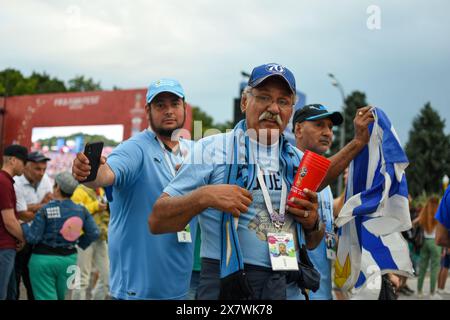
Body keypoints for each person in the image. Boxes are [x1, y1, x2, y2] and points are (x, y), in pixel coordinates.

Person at [150, 63, 374, 300]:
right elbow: (157, 220)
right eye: (264, 97)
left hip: (285, 284)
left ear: (291, 110)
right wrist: (204, 196)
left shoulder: (299, 162)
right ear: (245, 102)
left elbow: (312, 241)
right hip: (225, 284)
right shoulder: (211, 149)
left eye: (283, 101)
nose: (273, 108)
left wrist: (312, 223)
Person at [72, 78, 197, 300]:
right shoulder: (135, 148)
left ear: (184, 107)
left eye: (174, 104)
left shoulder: (195, 151)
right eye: (160, 105)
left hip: (180, 289)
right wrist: (88, 173)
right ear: (148, 110)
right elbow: (106, 174)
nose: (168, 111)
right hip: (135, 291)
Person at [292, 103, 343, 300]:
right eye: (319, 125)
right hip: (300, 292)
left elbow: (330, 218)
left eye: (330, 127)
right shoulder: (293, 171)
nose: (328, 132)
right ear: (298, 129)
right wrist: (357, 143)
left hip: (324, 291)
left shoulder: (326, 183)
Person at [22, 171, 99, 300]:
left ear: (57, 187)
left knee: (45, 296)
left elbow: (33, 238)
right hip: (70, 260)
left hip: (43, 259)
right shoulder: (82, 210)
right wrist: (79, 242)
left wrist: (23, 225)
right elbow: (94, 232)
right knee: (62, 296)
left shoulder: (45, 209)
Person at [12, 151, 53, 300]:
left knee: (34, 281)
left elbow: (52, 203)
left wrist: (32, 208)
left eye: (44, 169)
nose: (42, 173)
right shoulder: (16, 182)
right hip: (21, 235)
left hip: (39, 237)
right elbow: (22, 214)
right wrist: (43, 205)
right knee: (15, 277)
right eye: (37, 169)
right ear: (26, 167)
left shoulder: (46, 179)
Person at [70, 185, 110, 300]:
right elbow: (75, 213)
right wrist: (96, 206)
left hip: (100, 237)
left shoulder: (101, 190)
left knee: (107, 277)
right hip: (84, 237)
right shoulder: (79, 191)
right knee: (82, 278)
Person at [0, 145, 27, 300]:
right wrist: (22, 238)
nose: (25, 166)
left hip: (6, 246)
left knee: (11, 293)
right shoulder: (3, 181)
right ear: (13, 160)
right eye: (23, 162)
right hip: (4, 246)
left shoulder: (6, 181)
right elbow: (9, 220)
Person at [413, 196, 442, 299]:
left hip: (425, 242)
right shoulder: (439, 212)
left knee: (422, 268)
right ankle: (432, 293)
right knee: (434, 269)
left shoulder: (424, 213)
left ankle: (419, 291)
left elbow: (414, 223)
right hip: (435, 243)